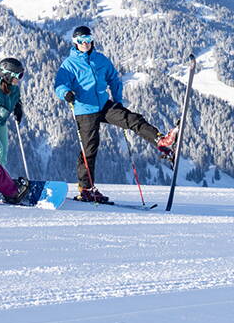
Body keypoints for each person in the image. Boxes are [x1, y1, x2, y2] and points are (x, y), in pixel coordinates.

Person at [54, 24, 175, 203]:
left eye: (88, 40)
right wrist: (66, 93)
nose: (86, 43)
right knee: (89, 149)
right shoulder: (70, 64)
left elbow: (114, 79)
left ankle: (160, 140)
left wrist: (117, 100)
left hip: (104, 104)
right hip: (84, 109)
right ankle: (86, 189)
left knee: (132, 119)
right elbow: (59, 85)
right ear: (75, 43)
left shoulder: (100, 59)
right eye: (81, 41)